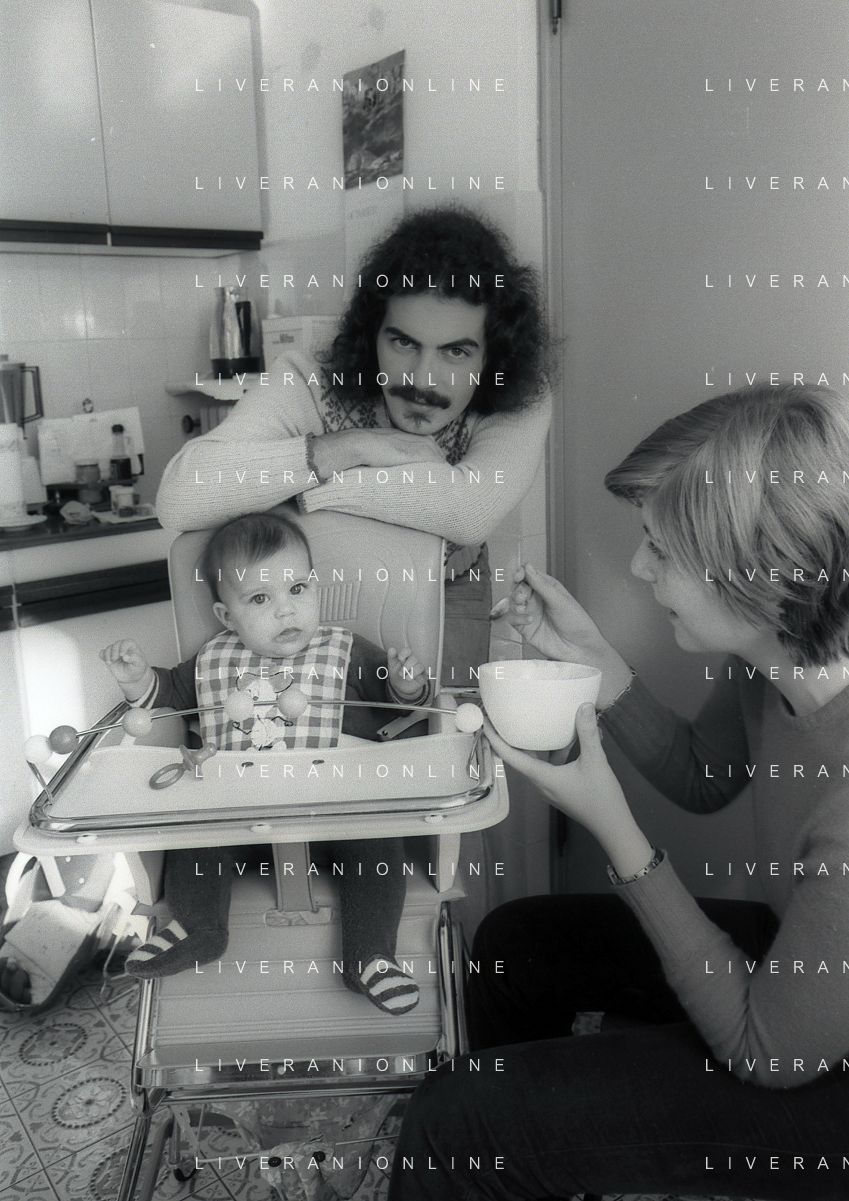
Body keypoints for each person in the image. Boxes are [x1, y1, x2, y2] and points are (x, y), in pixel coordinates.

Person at [387, 381, 849, 1199]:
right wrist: (594, 661)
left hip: (816, 1073)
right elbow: (704, 775)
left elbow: (765, 1049)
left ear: (762, 575)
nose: (637, 567)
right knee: (512, 947)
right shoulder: (776, 658)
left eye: (660, 551)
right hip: (804, 968)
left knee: (455, 1126)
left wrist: (613, 826)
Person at [155, 204, 552, 683]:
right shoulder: (312, 374)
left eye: (455, 352)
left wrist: (305, 492)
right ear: (372, 334)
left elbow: (469, 513)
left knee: (446, 719)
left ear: (493, 356)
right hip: (310, 592)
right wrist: (352, 447)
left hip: (452, 583)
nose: (422, 379)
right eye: (403, 343)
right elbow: (177, 499)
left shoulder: (519, 396)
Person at [101, 510, 429, 1015]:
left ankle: (370, 954)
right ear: (226, 615)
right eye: (260, 599)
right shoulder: (212, 660)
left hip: (339, 815)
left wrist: (406, 684)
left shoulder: (345, 651)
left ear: (315, 586)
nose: (285, 610)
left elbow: (395, 703)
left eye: (298, 589)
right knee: (196, 836)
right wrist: (137, 679)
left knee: (379, 844)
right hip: (237, 819)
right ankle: (199, 926)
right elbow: (167, 693)